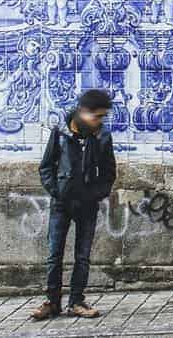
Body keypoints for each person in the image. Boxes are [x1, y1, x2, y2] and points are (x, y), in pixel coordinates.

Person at [32, 89, 117, 321]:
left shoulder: (102, 137)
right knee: (54, 254)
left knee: (82, 256)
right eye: (96, 116)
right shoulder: (60, 132)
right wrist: (56, 191)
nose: (99, 121)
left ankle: (76, 301)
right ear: (83, 112)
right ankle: (52, 302)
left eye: (102, 117)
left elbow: (109, 173)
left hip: (87, 205)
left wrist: (96, 194)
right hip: (61, 203)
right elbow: (46, 166)